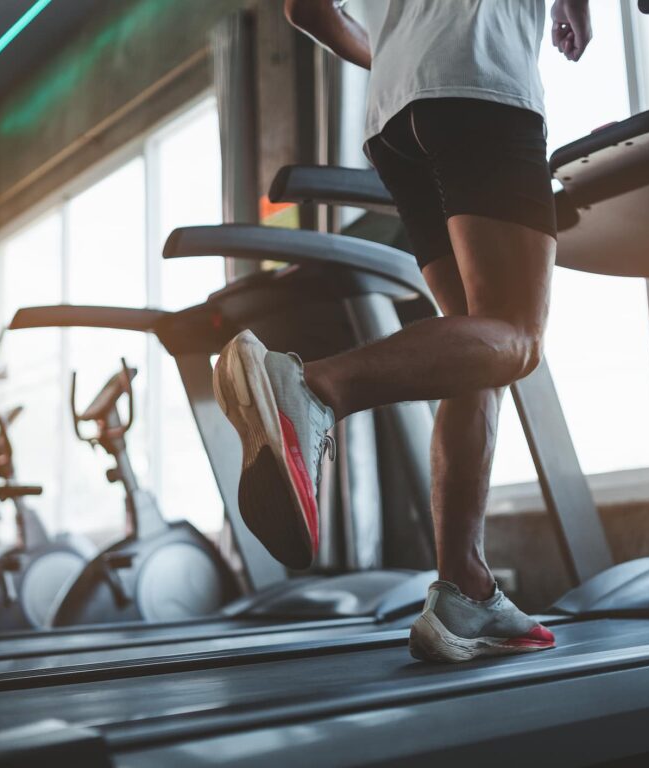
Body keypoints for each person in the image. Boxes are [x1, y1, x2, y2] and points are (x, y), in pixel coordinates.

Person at [213, 0, 592, 663]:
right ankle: (313, 388)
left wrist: (396, 55)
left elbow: (305, 10)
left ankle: (464, 587)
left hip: (392, 113)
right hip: (480, 79)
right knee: (517, 339)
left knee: (475, 347)